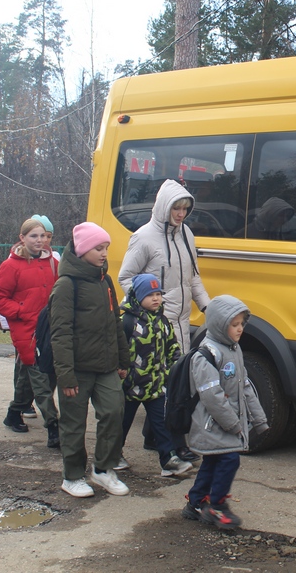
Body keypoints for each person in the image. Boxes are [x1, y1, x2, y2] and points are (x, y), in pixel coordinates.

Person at [118, 179, 211, 462]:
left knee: (175, 384)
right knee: (164, 388)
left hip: (180, 324)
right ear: (163, 207)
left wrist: (207, 306)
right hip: (152, 329)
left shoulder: (187, 235)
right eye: (176, 208)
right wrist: (147, 310)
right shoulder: (143, 237)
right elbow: (126, 278)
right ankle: (173, 442)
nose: (181, 214)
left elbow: (193, 276)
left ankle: (155, 437)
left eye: (185, 209)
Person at [50, 222, 132, 497]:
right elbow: (60, 333)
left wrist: (123, 360)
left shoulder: (105, 280)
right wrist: (66, 376)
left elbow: (114, 322)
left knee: (114, 412)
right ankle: (72, 476)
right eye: (99, 248)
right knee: (74, 424)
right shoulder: (66, 285)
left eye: (106, 247)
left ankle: (103, 470)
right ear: (83, 250)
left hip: (106, 366)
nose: (104, 253)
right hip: (77, 370)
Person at [181, 295, 268, 529]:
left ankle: (196, 502)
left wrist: (259, 419)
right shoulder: (206, 355)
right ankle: (217, 507)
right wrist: (233, 424)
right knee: (229, 459)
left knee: (213, 461)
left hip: (226, 423)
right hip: (213, 424)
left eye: (242, 324)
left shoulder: (234, 349)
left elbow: (244, 385)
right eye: (234, 324)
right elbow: (213, 397)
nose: (240, 329)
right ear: (220, 324)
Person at [0, 218, 60, 446]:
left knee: (28, 376)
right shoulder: (11, 266)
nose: (39, 241)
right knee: (40, 379)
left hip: (49, 328)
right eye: (33, 236)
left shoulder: (53, 263)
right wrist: (21, 311)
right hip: (26, 330)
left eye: (43, 236)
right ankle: (53, 426)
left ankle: (14, 413)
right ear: (22, 238)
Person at [118, 273, 192, 477]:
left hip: (156, 386)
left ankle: (168, 460)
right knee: (122, 423)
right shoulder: (127, 321)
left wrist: (175, 369)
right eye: (150, 294)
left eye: (158, 294)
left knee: (162, 424)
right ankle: (114, 454)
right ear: (139, 296)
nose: (156, 298)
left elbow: (172, 349)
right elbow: (117, 348)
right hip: (130, 386)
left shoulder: (163, 322)